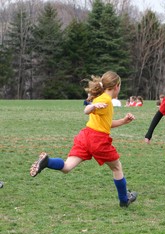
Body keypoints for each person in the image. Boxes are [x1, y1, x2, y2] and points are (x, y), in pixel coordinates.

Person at [30, 71, 138, 208]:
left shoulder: (104, 100)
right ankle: (124, 200)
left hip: (86, 136)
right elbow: (86, 110)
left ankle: (47, 162)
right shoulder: (104, 100)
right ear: (117, 86)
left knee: (67, 167)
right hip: (98, 140)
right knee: (117, 167)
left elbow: (106, 123)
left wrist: (123, 121)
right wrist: (92, 106)